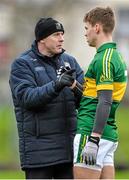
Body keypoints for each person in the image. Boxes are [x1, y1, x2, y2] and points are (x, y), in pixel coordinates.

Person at [9, 17, 84, 179]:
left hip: (68, 151)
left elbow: (86, 99)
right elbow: (27, 98)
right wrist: (56, 85)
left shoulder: (70, 61)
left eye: (62, 34)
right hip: (39, 154)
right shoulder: (22, 64)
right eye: (56, 34)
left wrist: (75, 88)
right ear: (41, 38)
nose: (62, 38)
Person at [74, 6, 128, 179]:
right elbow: (96, 96)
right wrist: (74, 86)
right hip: (107, 134)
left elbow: (105, 101)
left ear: (96, 27)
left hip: (91, 132)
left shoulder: (104, 59)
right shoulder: (116, 56)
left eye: (86, 28)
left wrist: (93, 139)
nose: (85, 33)